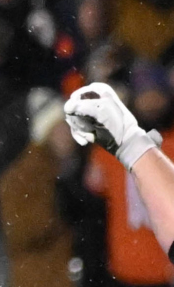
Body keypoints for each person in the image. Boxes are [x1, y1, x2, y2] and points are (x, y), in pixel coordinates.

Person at [65, 81, 174, 264]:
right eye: (145, 96)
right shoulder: (107, 149)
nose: (151, 102)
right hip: (126, 261)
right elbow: (90, 201)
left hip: (163, 266)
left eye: (156, 95)